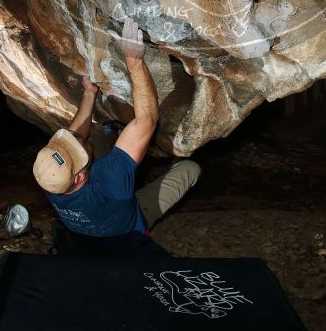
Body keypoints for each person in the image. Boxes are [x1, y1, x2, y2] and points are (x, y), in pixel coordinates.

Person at [32, 18, 201, 249]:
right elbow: (146, 121)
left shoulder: (49, 178)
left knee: (99, 136)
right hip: (129, 224)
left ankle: (114, 140)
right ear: (80, 177)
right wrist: (133, 60)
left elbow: (75, 135)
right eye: (76, 148)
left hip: (91, 229)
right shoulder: (109, 179)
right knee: (190, 169)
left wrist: (89, 94)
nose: (75, 139)